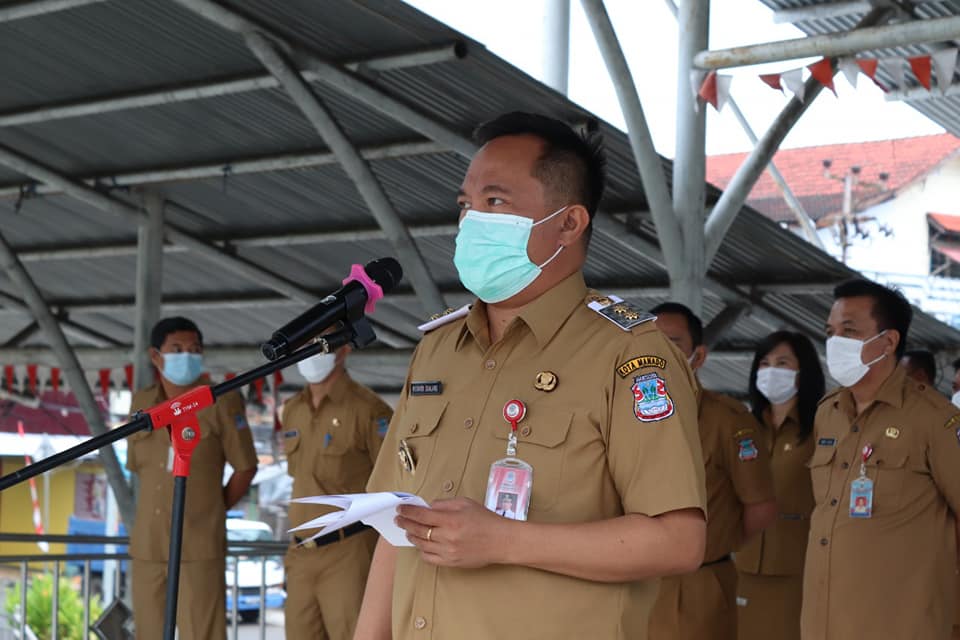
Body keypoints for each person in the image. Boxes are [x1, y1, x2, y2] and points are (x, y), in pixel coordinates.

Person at [355, 112, 708, 640]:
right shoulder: (437, 349)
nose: (473, 220)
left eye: (495, 203)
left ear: (569, 223)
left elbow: (678, 541)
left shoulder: (629, 354)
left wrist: (504, 541)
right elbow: (398, 527)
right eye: (466, 206)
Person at [803, 279, 960, 639]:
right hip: (824, 620)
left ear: (888, 342)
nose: (835, 342)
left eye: (849, 330)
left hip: (900, 624)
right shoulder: (828, 413)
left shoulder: (936, 420)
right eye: (831, 331)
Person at [647, 303, 777, 640]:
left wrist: (712, 548)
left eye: (672, 343)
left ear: (699, 356)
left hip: (697, 587)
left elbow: (759, 509)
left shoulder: (727, 421)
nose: (659, 354)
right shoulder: (621, 415)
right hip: (632, 582)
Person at [126, 317, 258, 640]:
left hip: (198, 546)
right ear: (156, 356)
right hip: (149, 546)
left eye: (194, 349)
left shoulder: (222, 400)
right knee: (149, 633)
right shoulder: (142, 402)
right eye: (177, 349)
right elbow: (137, 466)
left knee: (203, 633)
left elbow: (246, 466)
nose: (187, 355)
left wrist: (211, 510)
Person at [282, 347, 393, 640]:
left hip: (349, 550)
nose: (308, 354)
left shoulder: (369, 410)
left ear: (343, 349)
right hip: (300, 551)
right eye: (302, 346)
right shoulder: (292, 409)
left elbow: (395, 484)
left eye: (319, 344)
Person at [736, 331, 825, 640]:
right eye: (764, 362)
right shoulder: (743, 427)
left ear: (803, 373)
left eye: (783, 362)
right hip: (741, 563)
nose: (771, 370)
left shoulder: (822, 429)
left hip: (798, 567)